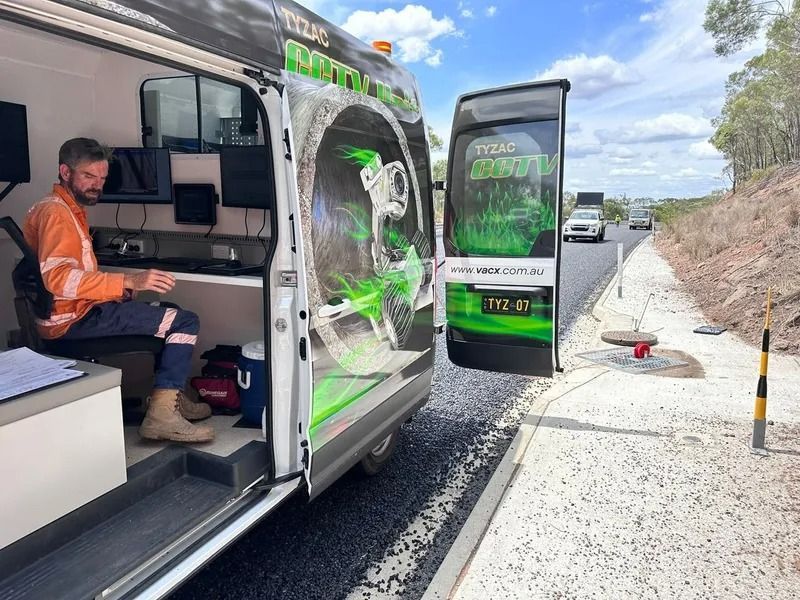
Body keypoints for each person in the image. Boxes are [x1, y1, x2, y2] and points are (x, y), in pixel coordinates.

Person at [23, 138, 214, 443]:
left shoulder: (65, 209)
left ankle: (170, 396)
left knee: (172, 311)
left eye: (102, 179)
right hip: (72, 321)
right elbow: (58, 280)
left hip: (73, 312)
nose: (97, 186)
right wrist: (128, 281)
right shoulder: (57, 215)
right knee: (184, 321)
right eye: (89, 177)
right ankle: (162, 416)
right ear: (65, 171)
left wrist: (118, 292)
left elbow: (76, 277)